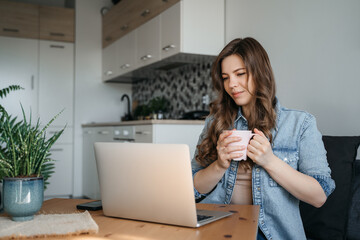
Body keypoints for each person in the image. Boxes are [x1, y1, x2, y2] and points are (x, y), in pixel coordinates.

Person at [191, 37, 335, 240]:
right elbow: (192, 189)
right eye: (225, 77)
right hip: (213, 227)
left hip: (268, 234)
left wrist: (270, 162)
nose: (232, 84)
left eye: (240, 74)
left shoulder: (300, 124)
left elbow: (319, 196)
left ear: (261, 72)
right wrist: (219, 166)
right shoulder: (215, 122)